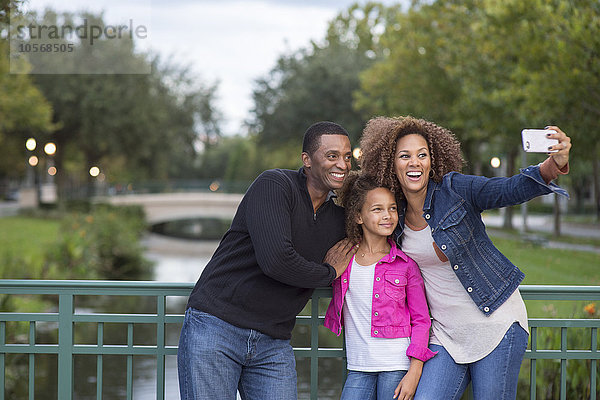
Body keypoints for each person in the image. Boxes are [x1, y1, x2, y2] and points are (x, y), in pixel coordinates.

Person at [358, 116, 571, 399]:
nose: (414, 162)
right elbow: (362, 228)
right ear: (391, 163)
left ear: (432, 161)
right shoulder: (393, 215)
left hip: (495, 324)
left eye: (422, 155)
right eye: (405, 156)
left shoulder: (455, 189)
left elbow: (508, 189)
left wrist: (553, 165)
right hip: (445, 336)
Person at [177, 121, 357, 400]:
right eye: (332, 156)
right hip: (216, 327)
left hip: (273, 341)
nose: (343, 165)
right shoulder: (274, 185)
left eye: (347, 157)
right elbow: (276, 261)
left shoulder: (337, 218)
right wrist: (329, 272)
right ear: (307, 160)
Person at [324, 172, 436, 400]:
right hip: (358, 367)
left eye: (392, 208)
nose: (388, 216)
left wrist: (415, 371)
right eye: (377, 209)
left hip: (397, 366)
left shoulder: (406, 265)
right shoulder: (343, 259)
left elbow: (422, 320)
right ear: (358, 216)